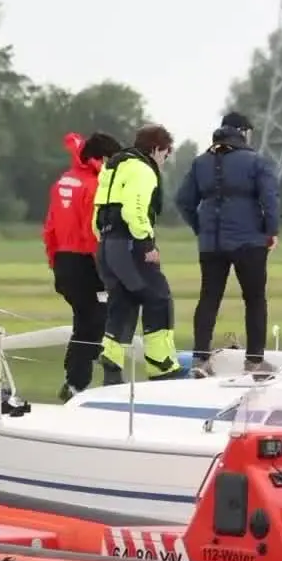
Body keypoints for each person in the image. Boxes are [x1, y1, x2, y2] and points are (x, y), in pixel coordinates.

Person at [174, 110, 280, 376]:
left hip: (211, 243)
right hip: (249, 242)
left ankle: (201, 360)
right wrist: (271, 230)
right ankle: (254, 361)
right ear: (243, 132)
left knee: (209, 297)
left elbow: (183, 200)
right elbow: (270, 200)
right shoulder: (257, 162)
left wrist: (201, 227)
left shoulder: (200, 163)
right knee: (255, 299)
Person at [93, 123, 184, 381]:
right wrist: (147, 245)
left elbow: (96, 214)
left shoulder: (112, 168)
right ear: (157, 149)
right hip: (130, 245)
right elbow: (133, 210)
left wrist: (107, 243)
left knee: (123, 301)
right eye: (166, 155)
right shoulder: (143, 170)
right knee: (159, 297)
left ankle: (112, 363)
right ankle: (162, 366)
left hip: (106, 246)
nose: (164, 161)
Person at [45, 131, 125, 400]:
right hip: (86, 262)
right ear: (102, 158)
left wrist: (54, 261)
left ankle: (74, 380)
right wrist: (107, 270)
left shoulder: (63, 181)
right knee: (98, 318)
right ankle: (78, 382)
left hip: (63, 261)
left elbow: (50, 227)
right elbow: (92, 232)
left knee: (84, 319)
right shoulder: (95, 185)